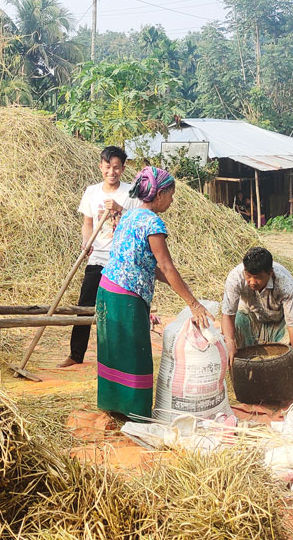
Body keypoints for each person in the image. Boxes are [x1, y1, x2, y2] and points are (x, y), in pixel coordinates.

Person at [95, 167, 212, 419]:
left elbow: (144, 263)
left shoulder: (130, 216)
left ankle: (113, 406)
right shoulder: (153, 223)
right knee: (135, 355)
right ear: (159, 194)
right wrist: (193, 303)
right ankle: (135, 413)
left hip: (107, 290)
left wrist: (176, 285)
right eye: (170, 195)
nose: (171, 200)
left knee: (113, 350)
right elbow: (166, 266)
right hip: (127, 297)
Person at [57, 146, 139, 368]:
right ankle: (76, 354)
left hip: (120, 260)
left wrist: (120, 209)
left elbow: (136, 222)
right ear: (100, 166)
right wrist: (87, 242)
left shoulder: (130, 193)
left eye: (116, 168)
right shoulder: (92, 192)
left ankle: (117, 357)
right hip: (97, 258)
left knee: (117, 307)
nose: (111, 172)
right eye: (107, 167)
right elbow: (87, 223)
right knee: (85, 305)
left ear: (122, 169)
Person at [220, 246, 293, 382]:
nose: (252, 282)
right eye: (248, 276)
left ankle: (285, 369)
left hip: (279, 317)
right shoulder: (235, 278)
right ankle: (242, 372)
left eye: (258, 278)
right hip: (251, 314)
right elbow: (228, 314)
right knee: (228, 332)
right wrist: (229, 342)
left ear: (270, 273)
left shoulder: (285, 283)